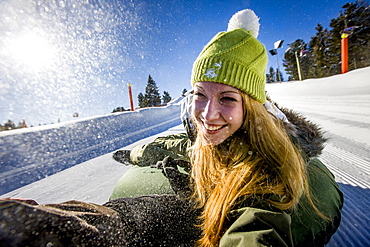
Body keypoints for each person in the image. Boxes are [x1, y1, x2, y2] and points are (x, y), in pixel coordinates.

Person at [0, 9, 342, 247]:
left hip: (225, 209)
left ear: (250, 107)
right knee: (132, 215)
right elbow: (182, 144)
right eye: (199, 94)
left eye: (227, 98)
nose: (208, 114)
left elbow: (255, 228)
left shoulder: (265, 163)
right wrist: (137, 152)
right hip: (193, 200)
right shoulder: (203, 126)